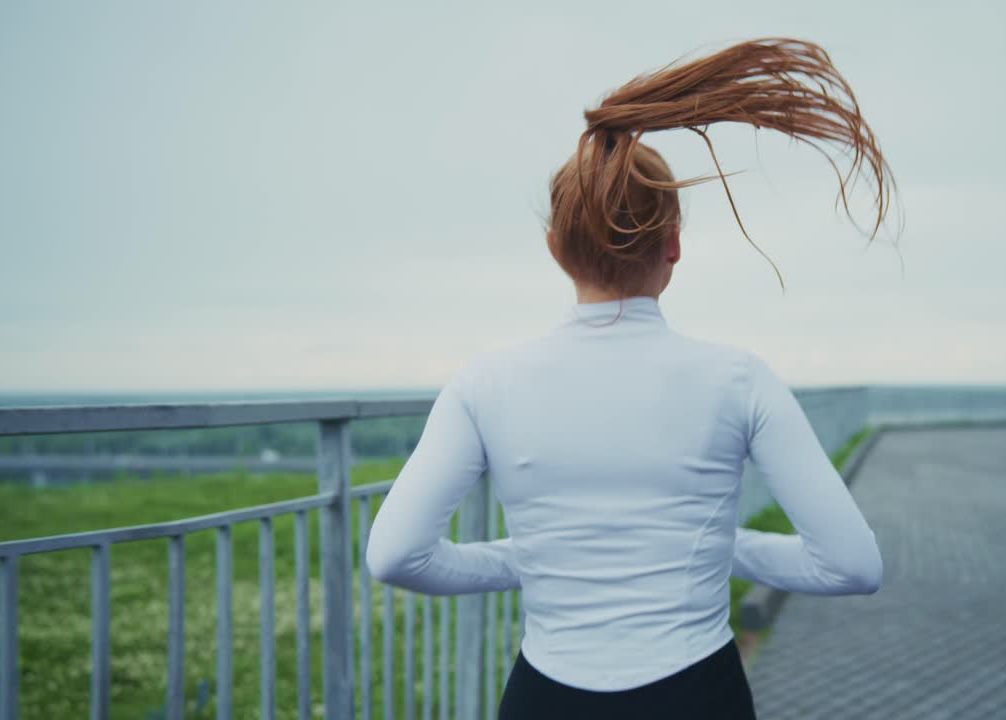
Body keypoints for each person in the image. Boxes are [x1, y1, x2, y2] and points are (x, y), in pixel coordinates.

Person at [366, 37, 891, 719]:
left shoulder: (483, 385)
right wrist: (716, 548)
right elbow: (853, 565)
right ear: (673, 243)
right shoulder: (739, 379)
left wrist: (528, 557)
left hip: (545, 699)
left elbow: (395, 556)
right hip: (697, 695)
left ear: (556, 247)